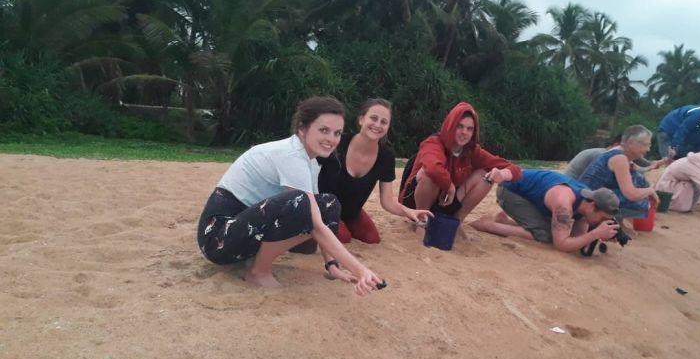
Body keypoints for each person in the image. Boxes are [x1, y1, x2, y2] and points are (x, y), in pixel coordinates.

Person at [196, 97, 383, 294]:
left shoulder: (309, 161)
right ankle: (258, 271)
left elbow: (320, 216)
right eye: (324, 130)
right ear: (302, 129)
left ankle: (259, 262)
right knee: (300, 202)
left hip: (246, 229)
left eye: (337, 133)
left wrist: (332, 265)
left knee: (329, 204)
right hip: (218, 238)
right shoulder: (291, 155)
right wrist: (361, 271)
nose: (332, 139)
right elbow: (316, 225)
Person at [318, 98, 432, 244]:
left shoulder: (386, 156)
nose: (377, 125)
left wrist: (410, 212)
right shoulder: (338, 143)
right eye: (373, 118)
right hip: (324, 208)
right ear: (361, 119)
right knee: (343, 237)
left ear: (388, 127)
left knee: (372, 239)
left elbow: (387, 201)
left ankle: (347, 221)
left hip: (352, 212)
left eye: (384, 122)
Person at [399, 102, 522, 225]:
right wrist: (450, 187)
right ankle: (421, 222)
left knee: (484, 175)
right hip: (414, 204)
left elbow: (515, 169)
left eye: (469, 129)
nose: (464, 132)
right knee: (429, 174)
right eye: (460, 126)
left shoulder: (472, 150)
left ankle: (456, 222)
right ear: (451, 125)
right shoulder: (433, 142)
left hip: (446, 201)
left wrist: (502, 174)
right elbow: (432, 168)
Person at [470, 169, 621, 253]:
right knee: (544, 235)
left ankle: (504, 221)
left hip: (529, 194)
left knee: (554, 231)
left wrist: (602, 235)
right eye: (602, 218)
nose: (602, 222)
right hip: (510, 191)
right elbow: (561, 244)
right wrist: (595, 233)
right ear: (593, 205)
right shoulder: (564, 203)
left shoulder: (587, 202)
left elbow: (576, 239)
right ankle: (487, 225)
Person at [577, 125, 659, 220]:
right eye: (645, 145)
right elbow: (631, 194)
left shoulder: (618, 154)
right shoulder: (619, 158)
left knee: (638, 179)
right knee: (642, 199)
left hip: (585, 195)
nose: (648, 149)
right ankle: (605, 220)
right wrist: (650, 191)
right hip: (588, 201)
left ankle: (616, 222)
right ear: (630, 143)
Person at [562, 135, 667, 180]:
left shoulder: (622, 155)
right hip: (572, 186)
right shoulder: (601, 155)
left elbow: (649, 164)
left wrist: (668, 159)